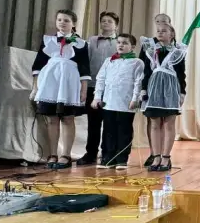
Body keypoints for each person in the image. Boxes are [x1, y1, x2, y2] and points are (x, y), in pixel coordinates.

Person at [31, 9, 91, 170]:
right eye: (59, 20)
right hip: (50, 82)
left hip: (70, 83)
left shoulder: (81, 43)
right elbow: (38, 64)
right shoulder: (48, 40)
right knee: (51, 119)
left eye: (66, 20)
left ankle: (66, 154)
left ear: (73, 23)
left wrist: (84, 89)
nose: (62, 23)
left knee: (68, 118)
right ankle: (52, 154)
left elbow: (84, 67)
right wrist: (36, 87)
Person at [92, 33, 144, 169]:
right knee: (108, 130)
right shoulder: (109, 60)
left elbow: (138, 82)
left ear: (132, 47)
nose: (121, 45)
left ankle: (121, 159)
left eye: (125, 43)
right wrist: (97, 97)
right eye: (119, 42)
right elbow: (100, 79)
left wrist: (135, 99)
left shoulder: (137, 62)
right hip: (109, 102)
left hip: (126, 103)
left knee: (124, 131)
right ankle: (107, 158)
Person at [140, 24, 187, 172]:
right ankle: (156, 156)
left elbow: (181, 74)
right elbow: (146, 71)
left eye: (164, 31)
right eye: (158, 31)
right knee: (154, 124)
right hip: (154, 88)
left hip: (171, 88)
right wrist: (143, 89)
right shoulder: (151, 50)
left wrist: (182, 92)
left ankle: (166, 157)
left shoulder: (178, 52)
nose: (160, 33)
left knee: (168, 124)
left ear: (171, 34)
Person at [79, 11, 120, 166]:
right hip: (93, 86)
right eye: (103, 21)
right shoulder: (92, 40)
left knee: (110, 122)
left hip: (112, 88)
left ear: (116, 25)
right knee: (93, 122)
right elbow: (85, 61)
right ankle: (90, 153)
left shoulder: (119, 42)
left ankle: (107, 154)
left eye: (109, 21)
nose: (106, 23)